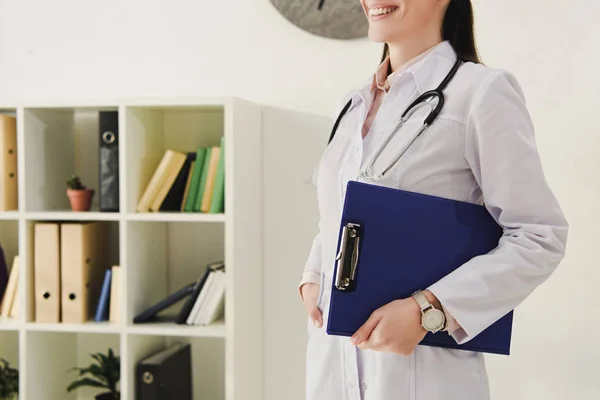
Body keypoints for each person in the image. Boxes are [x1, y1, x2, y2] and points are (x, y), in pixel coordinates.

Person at [298, 1, 569, 399]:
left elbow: (539, 236)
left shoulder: (481, 92)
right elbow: (340, 216)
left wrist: (430, 310)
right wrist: (313, 276)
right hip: (332, 371)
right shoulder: (353, 103)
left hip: (424, 380)